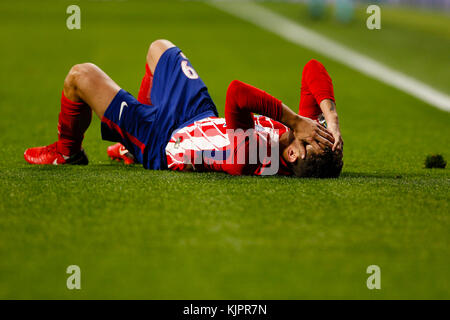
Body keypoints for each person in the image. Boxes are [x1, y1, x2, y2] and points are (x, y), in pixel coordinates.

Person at [24, 39, 343, 177]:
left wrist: (292, 119)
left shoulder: (250, 156)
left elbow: (237, 93)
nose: (311, 130)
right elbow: (313, 69)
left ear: (293, 155)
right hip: (197, 115)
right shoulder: (303, 141)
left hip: (162, 140)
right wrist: (330, 118)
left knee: (80, 76)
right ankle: (128, 148)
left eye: (313, 136)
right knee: (159, 49)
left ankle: (68, 153)